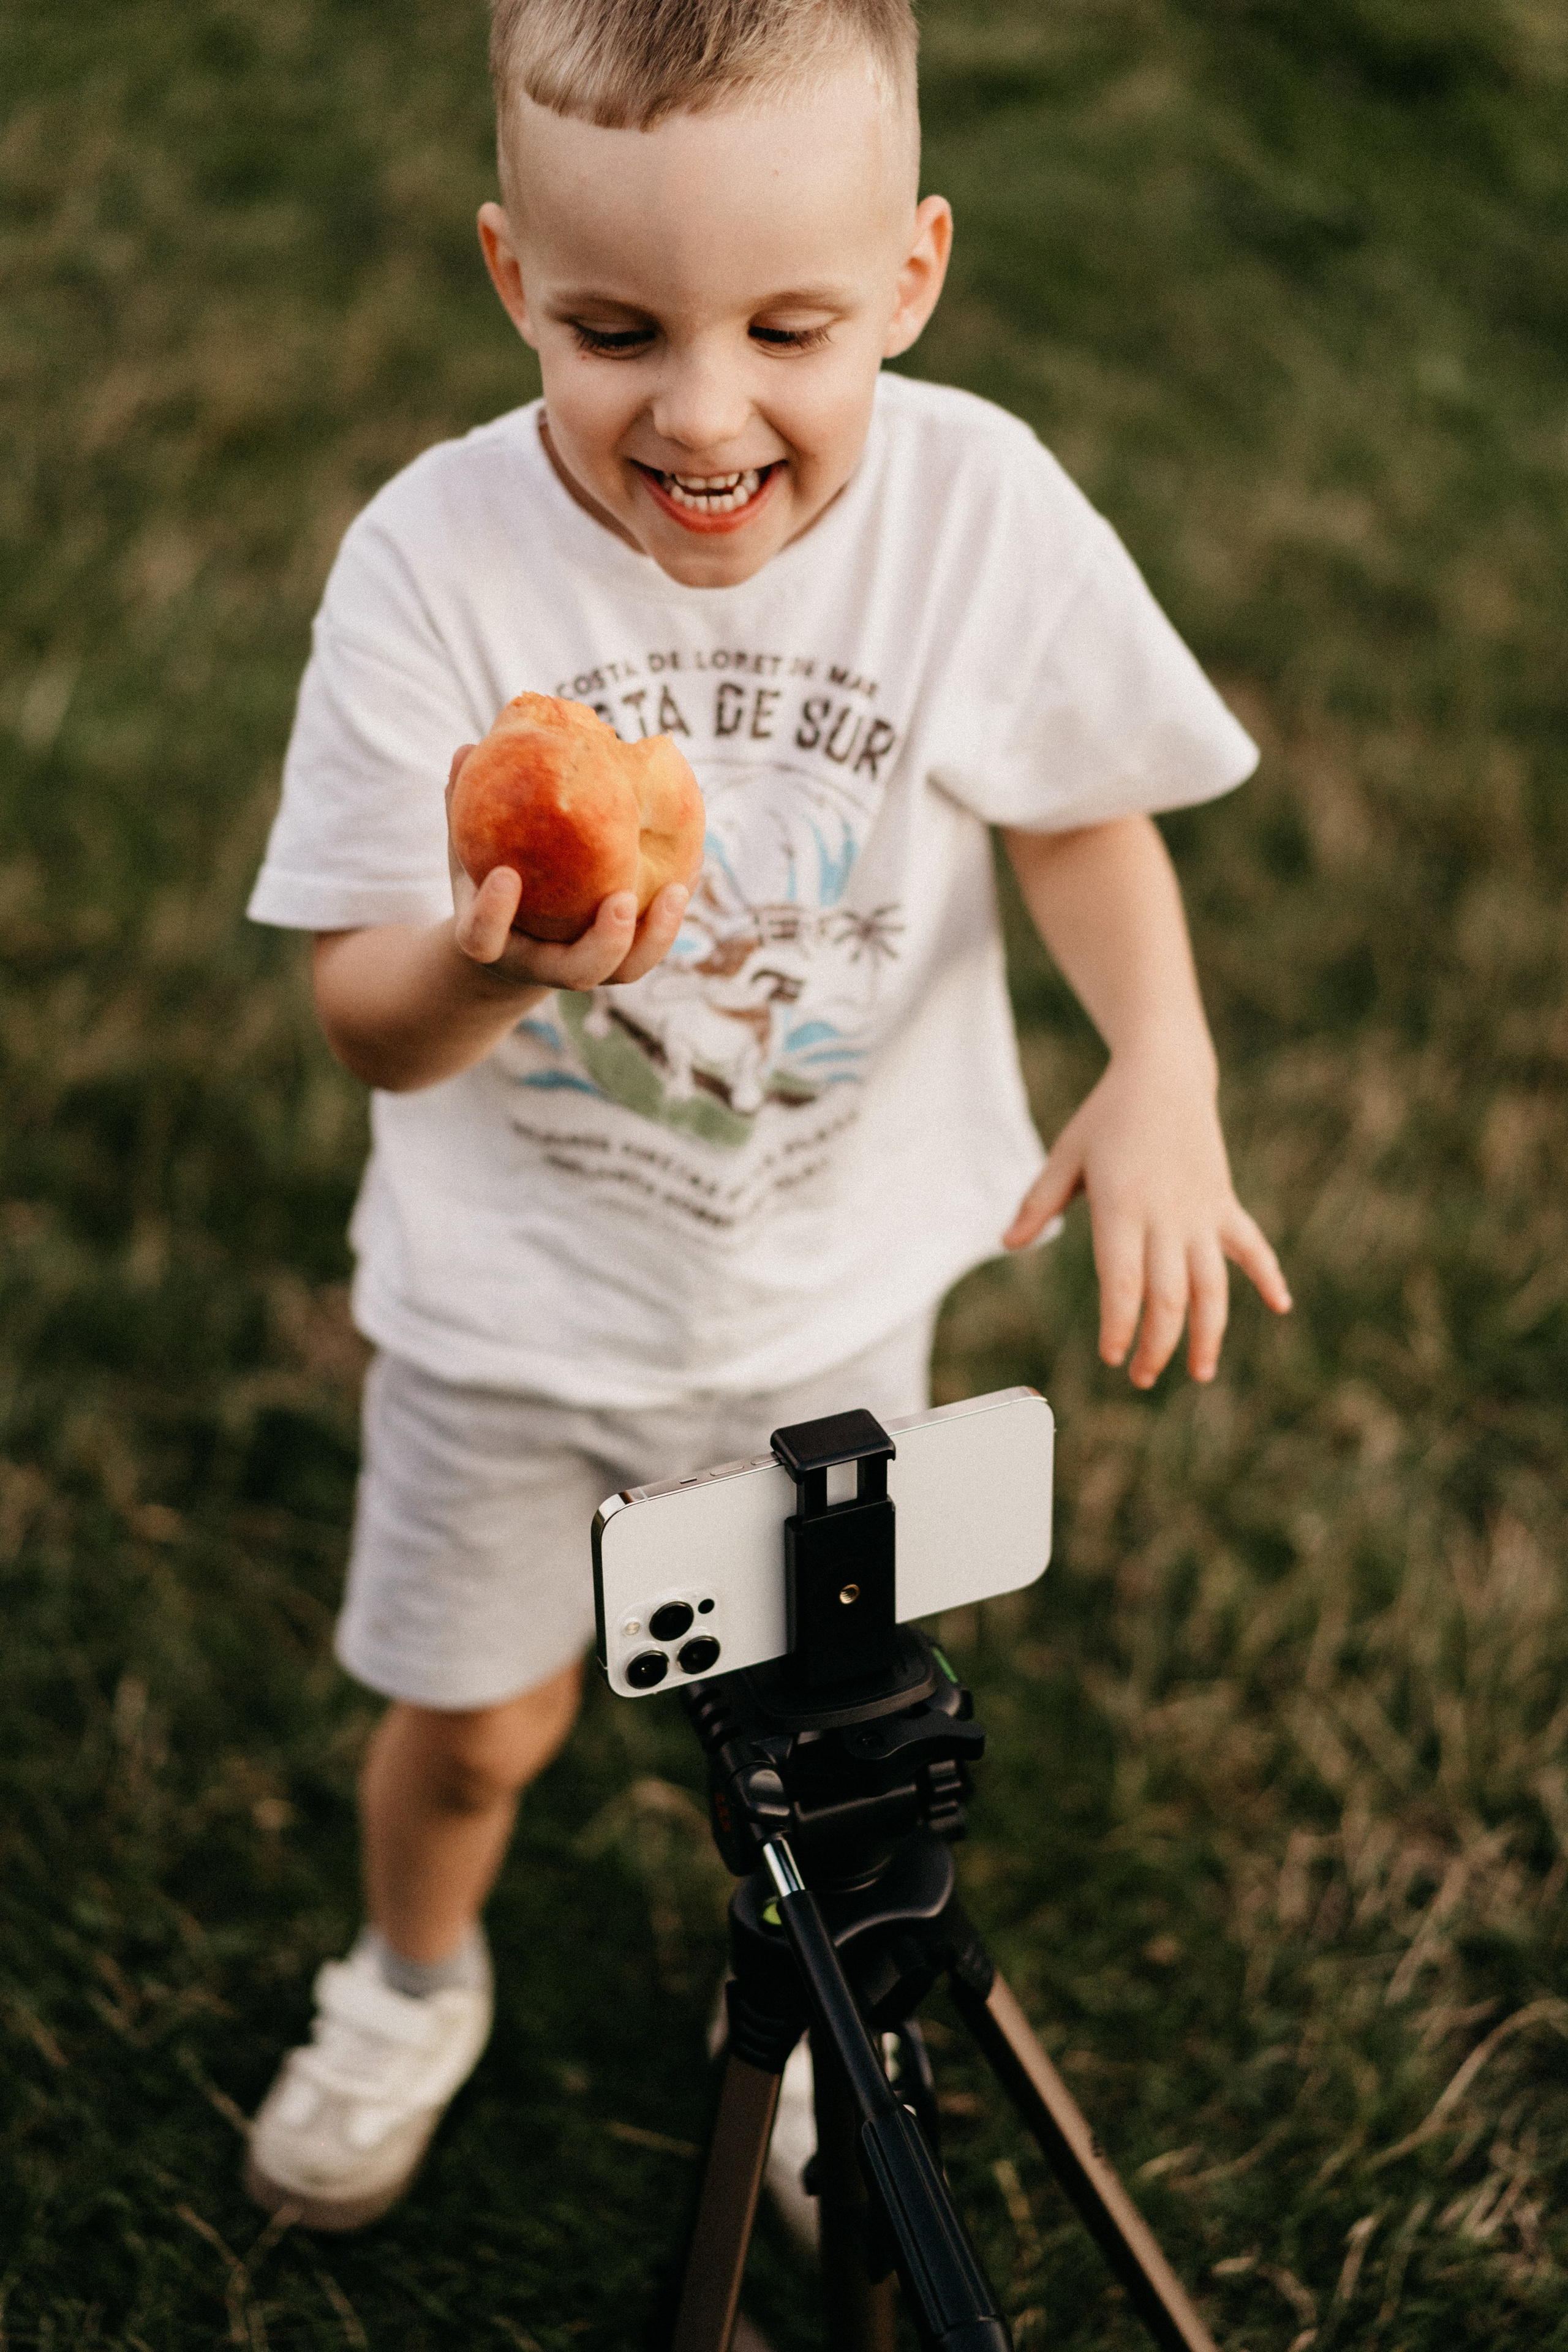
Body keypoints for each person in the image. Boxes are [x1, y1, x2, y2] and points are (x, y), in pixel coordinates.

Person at [242, 0, 1291, 2233]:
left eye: (790, 327)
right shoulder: (433, 563)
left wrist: (1165, 1063)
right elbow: (363, 1020)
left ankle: (827, 2050)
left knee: (831, 1748)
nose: (701, 411)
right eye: (614, 327)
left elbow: (1086, 817)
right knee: (475, 1728)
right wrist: (492, 958)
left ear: (911, 277)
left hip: (828, 1297)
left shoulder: (976, 508)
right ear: (513, 277)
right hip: (510, 1316)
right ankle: (411, 1974)